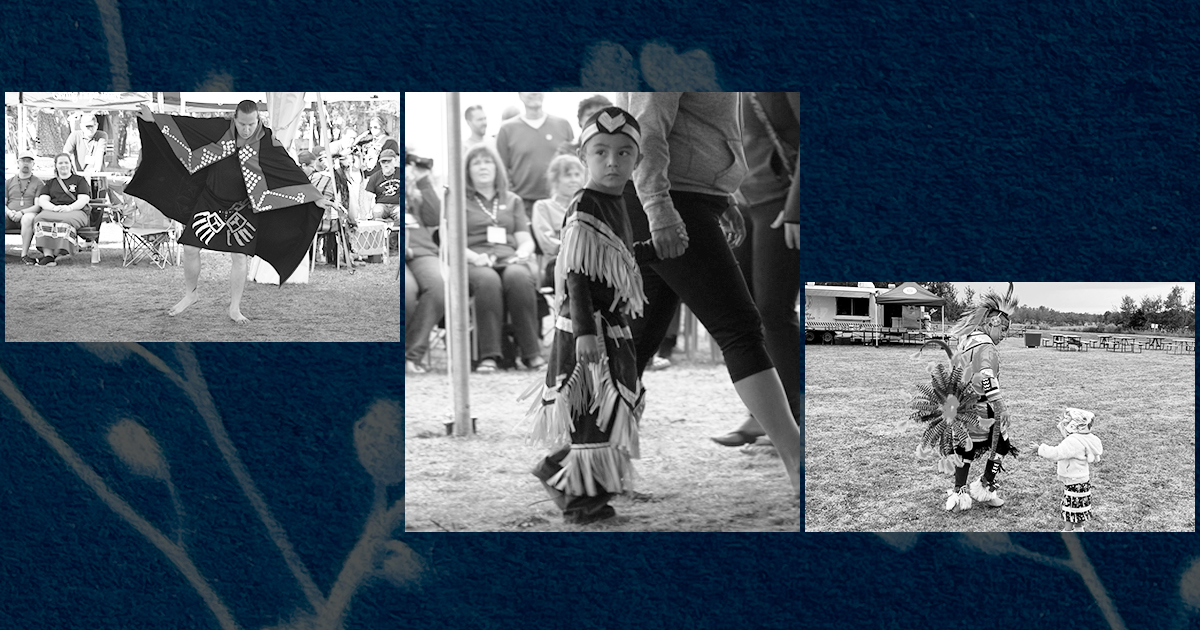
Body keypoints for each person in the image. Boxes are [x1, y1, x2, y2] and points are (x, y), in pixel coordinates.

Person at [616, 92, 801, 498]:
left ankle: (576, 464)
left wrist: (724, 194)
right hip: (668, 200)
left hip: (685, 198)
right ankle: (797, 457)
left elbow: (701, 128)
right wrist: (659, 208)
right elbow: (647, 126)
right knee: (739, 327)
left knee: (637, 344)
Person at [525, 106, 654, 524]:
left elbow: (615, 260)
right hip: (589, 327)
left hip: (611, 325)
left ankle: (561, 475)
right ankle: (581, 501)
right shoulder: (585, 204)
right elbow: (577, 273)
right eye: (600, 152)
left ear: (637, 158)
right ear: (584, 158)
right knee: (593, 415)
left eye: (623, 152)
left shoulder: (618, 201)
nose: (612, 161)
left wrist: (654, 250)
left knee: (612, 410)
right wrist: (584, 332)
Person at [126, 100, 330, 323]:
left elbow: (288, 168)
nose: (246, 129)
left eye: (251, 124)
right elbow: (188, 126)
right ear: (235, 118)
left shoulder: (266, 140)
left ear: (257, 120)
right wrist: (154, 119)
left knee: (240, 257)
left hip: (242, 208)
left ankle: (234, 308)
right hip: (210, 201)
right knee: (191, 247)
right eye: (242, 124)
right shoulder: (220, 129)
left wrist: (316, 197)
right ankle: (190, 294)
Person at [711, 92, 803, 448]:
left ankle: (796, 420)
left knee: (773, 310)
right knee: (751, 312)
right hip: (740, 202)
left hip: (781, 200)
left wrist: (797, 206)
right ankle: (766, 415)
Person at [936, 283, 1022, 511]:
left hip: (962, 409)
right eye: (1003, 329)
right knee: (1001, 447)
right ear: (992, 323)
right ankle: (985, 487)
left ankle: (958, 495)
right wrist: (1000, 406)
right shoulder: (987, 348)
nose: (1004, 335)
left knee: (965, 450)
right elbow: (986, 375)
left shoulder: (966, 342)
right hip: (984, 411)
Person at [460, 144, 543, 373]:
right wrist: (475, 258)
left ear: (496, 168)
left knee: (519, 276)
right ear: (467, 171)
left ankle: (531, 354)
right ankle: (490, 356)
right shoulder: (459, 200)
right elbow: (452, 242)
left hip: (509, 258)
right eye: (476, 163)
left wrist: (523, 252)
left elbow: (525, 239)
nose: (483, 167)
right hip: (474, 260)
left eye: (487, 162)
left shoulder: (512, 200)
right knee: (488, 281)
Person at [495, 92, 574, 219]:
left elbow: (574, 165)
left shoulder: (563, 125)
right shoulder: (507, 130)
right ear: (520, 95)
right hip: (523, 205)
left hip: (559, 205)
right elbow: (501, 171)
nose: (533, 92)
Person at [1029, 408, 1103, 532]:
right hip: (1083, 479)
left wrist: (1040, 449)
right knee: (1080, 506)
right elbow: (1070, 439)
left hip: (1072, 481)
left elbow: (1058, 452)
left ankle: (1067, 531)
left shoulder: (1073, 442)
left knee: (1069, 508)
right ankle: (1079, 529)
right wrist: (1062, 426)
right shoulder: (1085, 438)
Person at [404, 160, 443, 374]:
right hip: (398, 251)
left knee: (440, 284)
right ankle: (406, 355)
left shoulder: (416, 191)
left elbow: (435, 217)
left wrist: (422, 179)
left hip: (423, 252)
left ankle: (412, 355)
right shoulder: (383, 184)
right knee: (407, 293)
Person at [530, 153, 585, 289]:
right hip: (557, 263)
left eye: (577, 175)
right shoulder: (543, 206)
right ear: (555, 180)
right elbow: (547, 243)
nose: (574, 180)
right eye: (568, 175)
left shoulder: (588, 205)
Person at [28, 153, 91, 266]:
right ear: (56, 165)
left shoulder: (80, 180)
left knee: (66, 221)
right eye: (60, 163)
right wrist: (54, 208)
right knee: (40, 218)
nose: (63, 165)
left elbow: (83, 199)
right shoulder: (51, 183)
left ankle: (57, 253)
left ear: (71, 164)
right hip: (55, 210)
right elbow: (43, 200)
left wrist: (69, 208)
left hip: (75, 211)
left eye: (66, 162)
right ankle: (48, 256)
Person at [6, 152, 45, 264]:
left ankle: (24, 255)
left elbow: (38, 206)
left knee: (27, 218)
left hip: (28, 214)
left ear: (33, 164)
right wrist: (9, 212)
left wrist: (22, 213)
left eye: (29, 161)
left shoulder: (38, 183)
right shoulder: (8, 182)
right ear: (18, 163)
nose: (26, 164)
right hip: (9, 214)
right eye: (23, 160)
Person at [364, 148, 403, 224]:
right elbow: (368, 198)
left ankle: (396, 234)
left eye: (389, 161)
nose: (386, 164)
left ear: (394, 160)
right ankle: (381, 234)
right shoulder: (374, 177)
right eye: (383, 162)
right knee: (377, 211)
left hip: (397, 205)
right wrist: (367, 212)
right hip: (381, 205)